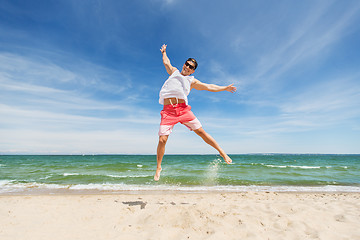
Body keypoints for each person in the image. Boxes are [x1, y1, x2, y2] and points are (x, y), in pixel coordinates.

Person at [154, 44, 237, 181]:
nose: (187, 67)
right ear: (184, 64)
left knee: (201, 132)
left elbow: (209, 86)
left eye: (191, 67)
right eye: (187, 64)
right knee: (162, 139)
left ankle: (222, 152)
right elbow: (166, 62)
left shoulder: (192, 81)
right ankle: (158, 167)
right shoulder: (174, 72)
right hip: (168, 111)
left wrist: (224, 88)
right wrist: (164, 52)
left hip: (182, 109)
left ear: (193, 71)